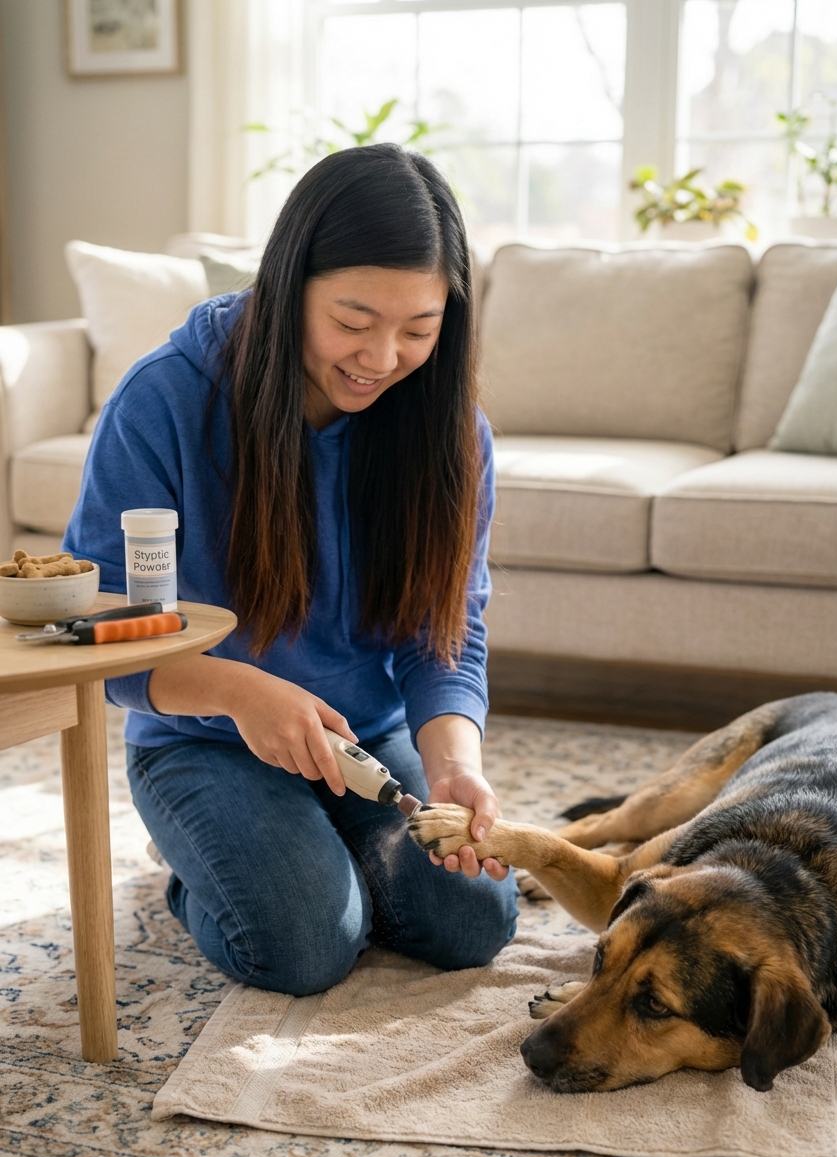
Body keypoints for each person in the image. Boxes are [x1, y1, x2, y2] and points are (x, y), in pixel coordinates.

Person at [65, 143, 517, 996]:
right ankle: (198, 862)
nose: (382, 358)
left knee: (472, 923)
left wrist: (456, 758)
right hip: (205, 738)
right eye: (352, 322)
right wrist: (239, 692)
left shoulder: (448, 428)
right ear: (287, 285)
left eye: (418, 330)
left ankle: (305, 845)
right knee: (304, 946)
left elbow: (447, 631)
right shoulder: (163, 401)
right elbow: (102, 630)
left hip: (366, 742)